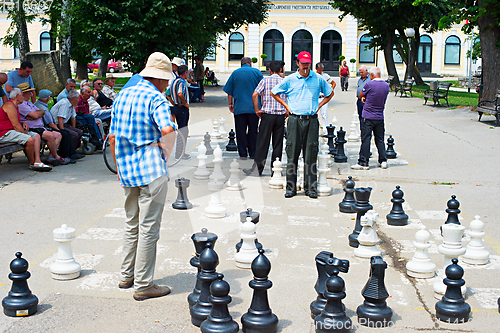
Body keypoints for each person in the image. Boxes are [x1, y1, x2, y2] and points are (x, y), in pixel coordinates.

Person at [109, 52, 176, 301]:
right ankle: (144, 284)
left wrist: (118, 168)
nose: (167, 84)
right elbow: (167, 129)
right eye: (166, 80)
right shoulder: (156, 98)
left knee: (131, 224)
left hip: (127, 169)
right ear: (158, 79)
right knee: (149, 228)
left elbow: (113, 138)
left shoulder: (123, 95)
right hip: (151, 171)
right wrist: (166, 153)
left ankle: (126, 276)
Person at [271, 51, 334, 199]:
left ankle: (310, 188)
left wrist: (320, 105)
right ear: (297, 63)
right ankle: (291, 188)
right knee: (292, 153)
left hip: (311, 120)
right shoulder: (290, 79)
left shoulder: (318, 79)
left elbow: (330, 93)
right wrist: (286, 107)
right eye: (302, 63)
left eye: (307, 63)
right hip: (294, 120)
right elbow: (274, 93)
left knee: (310, 154)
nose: (305, 65)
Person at [243, 61, 286, 176]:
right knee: (278, 144)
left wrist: (257, 109)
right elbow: (289, 97)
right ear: (281, 70)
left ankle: (257, 169)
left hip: (267, 115)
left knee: (262, 143)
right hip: (280, 116)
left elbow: (254, 94)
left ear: (270, 70)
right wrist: (286, 111)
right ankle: (275, 170)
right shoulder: (284, 81)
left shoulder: (265, 80)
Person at [16, 83, 69, 166]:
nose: (31, 94)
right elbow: (36, 115)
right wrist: (36, 115)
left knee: (58, 135)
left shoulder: (29, 103)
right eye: (29, 92)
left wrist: (36, 114)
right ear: (24, 93)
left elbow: (41, 112)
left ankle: (51, 157)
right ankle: (56, 156)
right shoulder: (21, 104)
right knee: (50, 135)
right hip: (32, 128)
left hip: (40, 128)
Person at [0, 88, 51, 171]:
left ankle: (38, 161)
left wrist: (23, 123)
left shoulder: (15, 106)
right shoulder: (9, 105)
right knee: (29, 140)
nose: (23, 97)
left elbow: (15, 122)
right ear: (17, 96)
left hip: (13, 131)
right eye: (21, 95)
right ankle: (32, 163)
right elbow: (15, 125)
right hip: (5, 133)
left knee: (36, 136)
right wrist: (25, 134)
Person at [223, 57, 263, 159]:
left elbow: (229, 91)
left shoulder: (235, 73)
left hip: (239, 107)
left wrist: (230, 104)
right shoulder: (257, 73)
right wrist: (262, 104)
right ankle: (253, 152)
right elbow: (263, 90)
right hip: (254, 108)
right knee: (253, 131)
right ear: (250, 63)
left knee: (240, 131)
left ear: (241, 64)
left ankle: (242, 153)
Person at [351, 67, 389, 170]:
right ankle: (383, 160)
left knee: (366, 138)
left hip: (368, 116)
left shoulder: (369, 84)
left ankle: (363, 162)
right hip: (379, 116)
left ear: (372, 75)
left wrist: (364, 97)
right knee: (380, 139)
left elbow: (360, 95)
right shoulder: (386, 86)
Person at [35, 89, 82, 162]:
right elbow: (52, 122)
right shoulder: (43, 108)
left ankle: (72, 152)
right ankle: (65, 155)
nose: (78, 100)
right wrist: (59, 129)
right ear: (48, 98)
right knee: (66, 134)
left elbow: (73, 117)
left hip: (52, 125)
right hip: (50, 126)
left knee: (76, 132)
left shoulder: (41, 105)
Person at [169, 65, 191, 160]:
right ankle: (180, 153)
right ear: (185, 72)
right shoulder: (181, 82)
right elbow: (180, 93)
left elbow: (168, 95)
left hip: (175, 107)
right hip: (182, 108)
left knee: (181, 129)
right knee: (183, 130)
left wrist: (174, 103)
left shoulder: (174, 81)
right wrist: (184, 103)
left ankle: (180, 152)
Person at [315, 62, 337, 135]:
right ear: (316, 69)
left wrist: (330, 91)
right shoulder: (313, 76)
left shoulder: (325, 76)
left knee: (324, 114)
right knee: (314, 114)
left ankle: (325, 130)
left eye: (321, 70)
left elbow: (333, 83)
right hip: (315, 98)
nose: (320, 71)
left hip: (323, 97)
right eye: (319, 70)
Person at [356, 65, 370, 136]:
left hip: (366, 100)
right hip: (359, 100)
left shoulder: (370, 79)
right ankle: (362, 129)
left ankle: (366, 130)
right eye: (360, 72)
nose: (361, 74)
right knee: (360, 115)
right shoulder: (360, 79)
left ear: (366, 71)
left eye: (362, 72)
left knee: (366, 116)